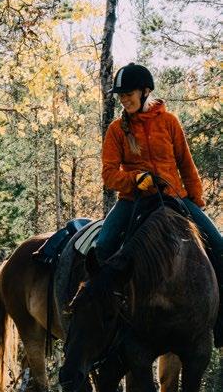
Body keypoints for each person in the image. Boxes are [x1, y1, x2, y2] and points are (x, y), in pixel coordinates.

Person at [95, 63, 223, 347]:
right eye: (120, 95)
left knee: (219, 244)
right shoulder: (117, 130)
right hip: (133, 201)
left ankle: (219, 321)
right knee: (103, 247)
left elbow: (186, 164)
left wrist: (196, 199)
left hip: (174, 198)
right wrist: (134, 179)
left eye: (128, 93)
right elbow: (108, 175)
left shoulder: (170, 122)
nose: (123, 99)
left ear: (145, 91)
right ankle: (104, 321)